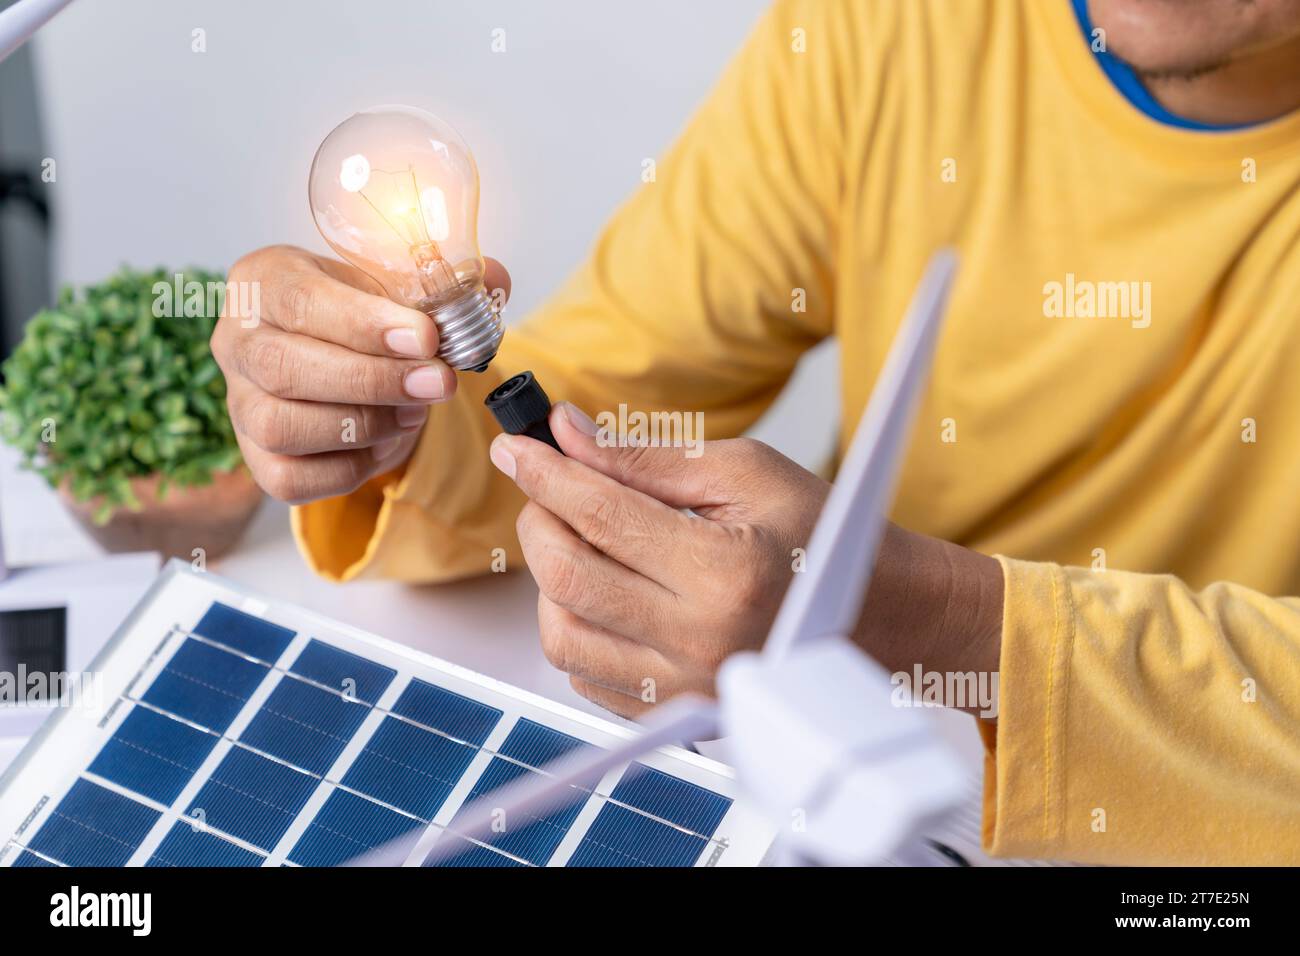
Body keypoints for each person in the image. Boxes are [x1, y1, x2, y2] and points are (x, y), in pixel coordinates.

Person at [210, 0, 1300, 865]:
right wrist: (387, 405)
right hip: (833, 768)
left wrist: (934, 618)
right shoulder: (895, 24)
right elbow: (612, 391)